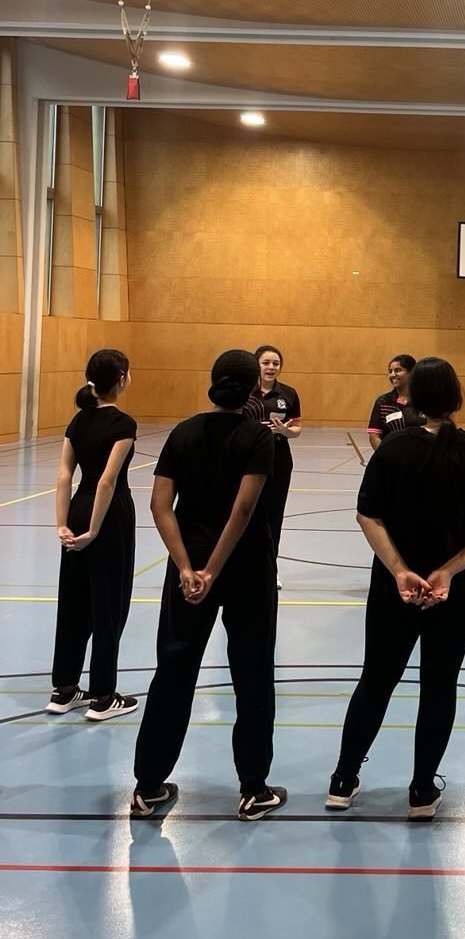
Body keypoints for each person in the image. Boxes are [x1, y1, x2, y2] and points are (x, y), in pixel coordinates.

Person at [327, 357, 465, 820]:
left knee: (376, 679)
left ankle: (343, 780)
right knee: (439, 684)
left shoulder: (392, 450)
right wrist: (448, 571)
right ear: (457, 398)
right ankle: (421, 791)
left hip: (396, 591)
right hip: (457, 592)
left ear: (411, 399)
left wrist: (398, 570)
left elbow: (367, 515)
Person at [130, 350, 285, 820]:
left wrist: (187, 567)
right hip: (246, 567)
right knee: (252, 673)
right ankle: (253, 789)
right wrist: (213, 569)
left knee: (174, 670)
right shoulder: (259, 437)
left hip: (189, 568)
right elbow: (243, 510)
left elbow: (160, 506)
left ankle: (148, 786)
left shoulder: (183, 432)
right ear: (252, 386)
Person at [46, 349, 139, 721]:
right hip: (110, 515)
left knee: (73, 601)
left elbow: (64, 475)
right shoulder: (123, 423)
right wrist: (94, 530)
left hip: (77, 507)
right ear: (121, 379)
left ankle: (64, 689)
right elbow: (107, 481)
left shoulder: (78, 421)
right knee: (109, 604)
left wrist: (62, 524)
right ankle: (103, 696)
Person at [254, 344, 300, 588]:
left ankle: (270, 569)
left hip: (279, 459)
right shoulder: (245, 393)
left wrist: (285, 431)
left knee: (274, 514)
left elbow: (297, 428)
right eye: (266, 363)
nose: (271, 367)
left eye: (275, 363)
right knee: (245, 512)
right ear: (256, 365)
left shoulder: (288, 394)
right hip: (249, 460)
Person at [367, 353, 424, 450]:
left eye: (398, 370)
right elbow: (374, 436)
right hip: (391, 456)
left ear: (412, 373)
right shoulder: (383, 402)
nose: (393, 375)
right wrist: (384, 455)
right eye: (390, 371)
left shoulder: (425, 400)